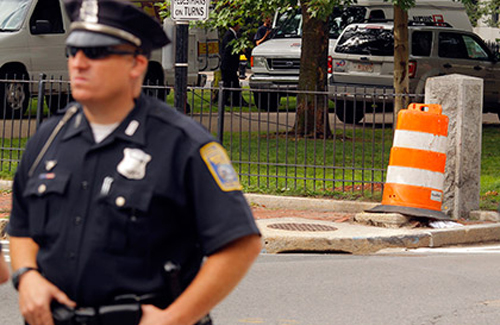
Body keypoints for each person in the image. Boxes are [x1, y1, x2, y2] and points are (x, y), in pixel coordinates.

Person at [7, 1, 262, 325]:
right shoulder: (48, 138)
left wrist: (175, 318)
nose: (79, 63)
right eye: (74, 51)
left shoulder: (182, 144)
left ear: (137, 64)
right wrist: (27, 276)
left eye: (96, 52)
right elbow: (21, 225)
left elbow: (241, 243)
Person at [220, 23, 248, 106]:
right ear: (235, 26)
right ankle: (227, 101)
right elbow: (229, 49)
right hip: (228, 65)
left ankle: (235, 101)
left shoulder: (234, 35)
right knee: (229, 84)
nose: (239, 27)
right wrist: (240, 50)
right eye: (238, 25)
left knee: (233, 83)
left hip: (231, 66)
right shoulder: (229, 35)